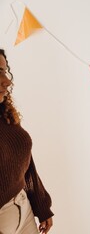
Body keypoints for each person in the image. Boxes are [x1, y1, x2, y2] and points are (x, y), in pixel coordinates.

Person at [0, 48, 53, 234]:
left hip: (24, 207)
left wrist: (41, 204)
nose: (7, 81)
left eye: (5, 71)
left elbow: (25, 159)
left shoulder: (4, 113)